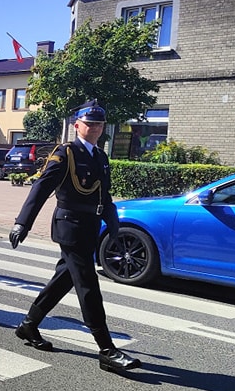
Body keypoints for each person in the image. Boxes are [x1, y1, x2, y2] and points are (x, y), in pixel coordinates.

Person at [9, 100, 141, 373]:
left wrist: (113, 225)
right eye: (89, 124)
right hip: (70, 227)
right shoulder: (66, 153)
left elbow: (104, 194)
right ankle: (107, 349)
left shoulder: (100, 156)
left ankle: (29, 325)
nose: (95, 128)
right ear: (77, 125)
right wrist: (22, 223)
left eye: (99, 124)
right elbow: (41, 187)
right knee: (88, 285)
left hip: (90, 226)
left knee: (64, 279)